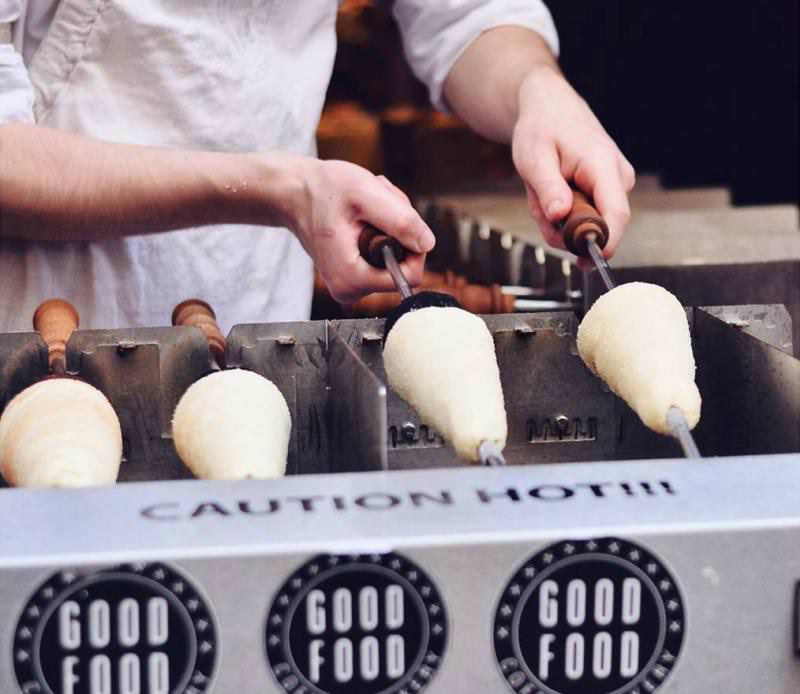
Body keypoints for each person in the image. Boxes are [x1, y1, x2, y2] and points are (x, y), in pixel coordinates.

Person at [0, 1, 634, 332]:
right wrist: (281, 190)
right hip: (38, 314)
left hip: (255, 312)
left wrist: (536, 89)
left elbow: (466, 16)